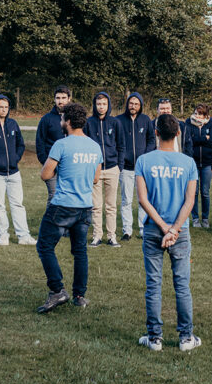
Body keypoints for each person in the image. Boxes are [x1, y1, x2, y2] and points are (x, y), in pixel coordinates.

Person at [135, 114, 202, 352]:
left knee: (153, 284)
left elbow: (143, 200)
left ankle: (155, 338)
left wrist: (164, 228)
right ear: (178, 134)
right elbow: (190, 201)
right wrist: (173, 229)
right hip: (180, 231)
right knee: (182, 285)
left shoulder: (143, 160)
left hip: (154, 229)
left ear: (155, 133)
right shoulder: (189, 163)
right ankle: (186, 338)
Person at [36, 102, 101, 313]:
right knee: (80, 251)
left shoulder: (61, 144)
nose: (61, 122)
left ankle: (57, 290)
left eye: (62, 119)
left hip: (63, 205)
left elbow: (45, 174)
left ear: (69, 122)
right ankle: (79, 296)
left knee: (44, 245)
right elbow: (96, 178)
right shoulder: (94, 146)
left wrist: (62, 172)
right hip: (85, 206)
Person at [0, 94, 34, 246]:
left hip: (13, 172)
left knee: (17, 204)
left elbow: (21, 144)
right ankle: (3, 234)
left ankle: (23, 236)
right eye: (0, 107)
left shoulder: (13, 124)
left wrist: (15, 159)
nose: (3, 110)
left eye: (6, 107)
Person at [84, 91, 124, 247]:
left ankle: (111, 236)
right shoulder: (88, 123)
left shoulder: (115, 123)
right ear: (95, 105)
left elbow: (121, 146)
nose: (101, 107)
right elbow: (85, 146)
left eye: (104, 104)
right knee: (96, 205)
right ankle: (97, 236)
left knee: (111, 205)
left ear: (108, 106)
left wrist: (119, 167)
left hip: (112, 168)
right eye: (99, 104)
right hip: (95, 170)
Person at [115, 91, 156, 241]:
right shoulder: (118, 120)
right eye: (131, 103)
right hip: (125, 167)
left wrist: (145, 156)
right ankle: (127, 230)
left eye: (136, 104)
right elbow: (115, 141)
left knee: (142, 199)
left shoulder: (146, 120)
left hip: (142, 169)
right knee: (126, 200)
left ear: (140, 105)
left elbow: (152, 140)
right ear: (127, 104)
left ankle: (143, 228)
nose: (133, 106)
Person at [185, 103, 212, 228]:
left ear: (206, 115)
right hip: (193, 163)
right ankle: (195, 218)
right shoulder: (188, 123)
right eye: (196, 113)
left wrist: (199, 139)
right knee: (194, 192)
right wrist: (204, 138)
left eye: (201, 114)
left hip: (207, 163)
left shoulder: (211, 123)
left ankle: (205, 218)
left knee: (205, 192)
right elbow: (189, 140)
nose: (197, 116)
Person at [36, 86, 70, 199]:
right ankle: (50, 217)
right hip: (52, 166)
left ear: (69, 99)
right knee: (54, 197)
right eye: (58, 98)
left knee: (69, 197)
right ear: (54, 99)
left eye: (64, 98)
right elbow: (40, 142)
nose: (61, 101)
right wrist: (46, 163)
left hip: (70, 166)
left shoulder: (74, 118)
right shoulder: (46, 119)